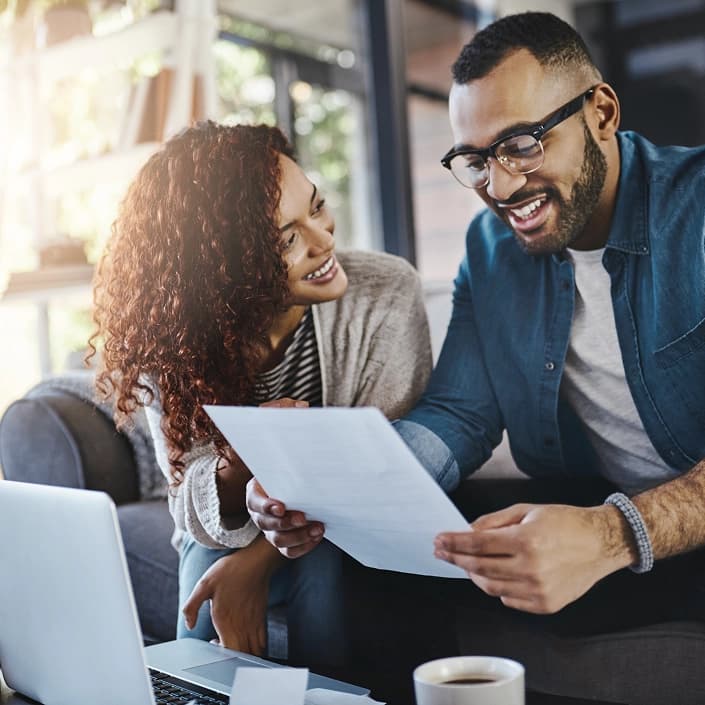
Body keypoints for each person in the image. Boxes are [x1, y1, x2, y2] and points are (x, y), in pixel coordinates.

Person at [246, 11, 705, 631]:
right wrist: (326, 493)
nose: (502, 185)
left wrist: (613, 533)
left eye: (522, 144)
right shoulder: (490, 251)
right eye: (475, 159)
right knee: (366, 571)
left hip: (658, 525)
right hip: (596, 509)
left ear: (601, 113)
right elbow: (458, 414)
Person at [89, 121, 432, 666]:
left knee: (321, 560)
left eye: (316, 208)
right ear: (225, 269)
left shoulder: (385, 293)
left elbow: (381, 473)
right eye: (288, 239)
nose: (324, 242)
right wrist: (235, 462)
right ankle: (195, 689)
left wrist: (251, 568)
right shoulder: (171, 341)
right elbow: (190, 510)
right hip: (227, 531)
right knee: (203, 558)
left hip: (345, 530)